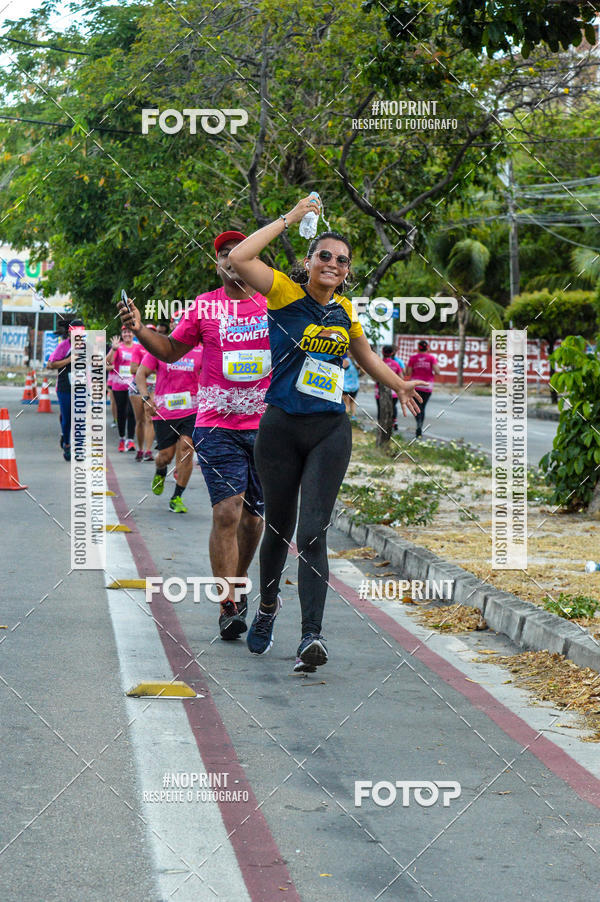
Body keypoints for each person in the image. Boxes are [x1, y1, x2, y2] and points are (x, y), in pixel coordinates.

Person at [227, 194, 427, 672]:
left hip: (329, 430)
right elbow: (238, 258)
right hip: (279, 429)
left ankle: (310, 637)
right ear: (309, 262)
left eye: (342, 260)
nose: (333, 264)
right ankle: (269, 607)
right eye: (325, 256)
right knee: (278, 526)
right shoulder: (282, 293)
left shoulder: (345, 311)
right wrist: (291, 217)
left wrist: (397, 384)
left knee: (313, 530)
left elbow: (366, 356)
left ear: (347, 271)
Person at [117, 231, 271, 641]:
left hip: (265, 428)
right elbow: (169, 351)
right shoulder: (204, 306)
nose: (231, 258)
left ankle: (238, 587)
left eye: (238, 252)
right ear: (217, 263)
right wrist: (139, 328)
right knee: (227, 512)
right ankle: (227, 605)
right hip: (216, 426)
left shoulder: (274, 302)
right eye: (223, 254)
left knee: (254, 519)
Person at [135, 315, 203, 511]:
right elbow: (141, 373)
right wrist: (146, 397)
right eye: (177, 322)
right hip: (164, 411)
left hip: (192, 409)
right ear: (173, 325)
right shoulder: (161, 347)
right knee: (165, 455)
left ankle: (177, 497)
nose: (182, 325)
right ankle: (160, 470)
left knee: (186, 448)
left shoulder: (200, 349)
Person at [46, 319, 85, 461]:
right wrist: (69, 360)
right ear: (69, 334)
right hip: (64, 388)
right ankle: (67, 444)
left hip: (81, 388)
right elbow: (50, 365)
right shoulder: (64, 346)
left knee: (79, 418)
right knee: (67, 419)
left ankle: (79, 449)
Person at [106, 327, 137, 451]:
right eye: (124, 332)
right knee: (121, 412)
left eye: (129, 331)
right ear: (121, 334)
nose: (127, 334)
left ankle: (130, 440)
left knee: (131, 412)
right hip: (119, 385)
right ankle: (122, 438)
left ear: (133, 333)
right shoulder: (118, 347)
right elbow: (108, 362)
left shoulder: (138, 347)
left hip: (133, 385)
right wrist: (113, 349)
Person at [129, 325, 157, 461]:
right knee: (140, 420)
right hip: (137, 387)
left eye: (153, 332)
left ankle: (148, 451)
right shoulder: (138, 348)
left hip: (154, 386)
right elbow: (133, 369)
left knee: (150, 418)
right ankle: (140, 449)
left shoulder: (159, 349)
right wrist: (149, 369)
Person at [405, 339, 441, 438]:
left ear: (418, 348)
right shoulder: (431, 358)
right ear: (427, 348)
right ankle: (420, 426)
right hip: (427, 386)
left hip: (415, 385)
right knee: (422, 407)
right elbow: (437, 371)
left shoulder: (413, 358)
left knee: (417, 407)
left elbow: (408, 373)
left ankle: (418, 424)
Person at [375, 345, 402, 430]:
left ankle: (381, 427)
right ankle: (393, 422)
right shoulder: (396, 364)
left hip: (379, 391)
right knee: (392, 407)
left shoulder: (378, 363)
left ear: (382, 352)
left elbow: (374, 377)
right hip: (393, 391)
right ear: (392, 353)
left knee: (380, 409)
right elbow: (401, 377)